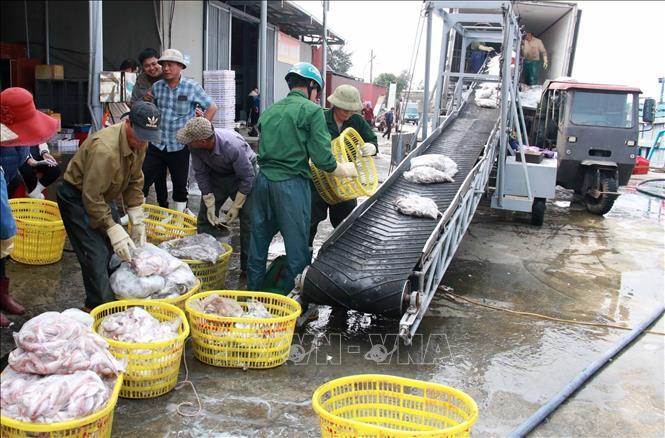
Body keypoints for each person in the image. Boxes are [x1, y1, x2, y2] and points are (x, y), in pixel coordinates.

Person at [247, 62, 357, 292]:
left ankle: (252, 295)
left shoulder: (270, 110)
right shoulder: (312, 111)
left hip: (263, 182)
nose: (317, 98)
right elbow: (323, 159)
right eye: (317, 91)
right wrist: (344, 169)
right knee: (297, 247)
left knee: (258, 243)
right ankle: (295, 303)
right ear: (310, 85)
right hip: (290, 185)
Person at [57, 102, 161, 311]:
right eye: (139, 135)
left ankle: (112, 293)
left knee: (117, 250)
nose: (142, 142)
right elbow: (91, 196)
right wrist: (111, 227)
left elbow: (134, 179)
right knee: (95, 253)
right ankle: (100, 306)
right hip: (77, 196)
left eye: (147, 137)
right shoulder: (104, 149)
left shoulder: (142, 141)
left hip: (104, 195)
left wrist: (135, 212)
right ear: (127, 122)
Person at [0, 87, 59, 327]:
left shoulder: (15, 129)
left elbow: (24, 148)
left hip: (6, 177)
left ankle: (2, 295)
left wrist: (37, 161)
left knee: (1, 253)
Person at [176, 117, 256, 274]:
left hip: (242, 175)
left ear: (204, 141)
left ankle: (249, 267)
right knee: (205, 217)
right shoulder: (195, 147)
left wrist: (237, 205)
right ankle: (205, 259)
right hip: (217, 174)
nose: (188, 143)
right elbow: (201, 173)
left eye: (191, 140)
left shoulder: (232, 146)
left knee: (249, 220)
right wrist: (209, 201)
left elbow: (248, 176)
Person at [142, 48, 217, 213]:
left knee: (180, 185)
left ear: (180, 67)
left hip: (179, 146)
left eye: (170, 65)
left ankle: (177, 218)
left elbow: (212, 107)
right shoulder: (157, 87)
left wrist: (199, 129)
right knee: (143, 180)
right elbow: (150, 108)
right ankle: (137, 215)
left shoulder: (192, 87)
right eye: (164, 65)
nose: (166, 68)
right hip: (157, 143)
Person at [309, 84, 378, 247]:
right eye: (344, 110)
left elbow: (372, 139)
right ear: (335, 105)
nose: (347, 114)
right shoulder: (321, 119)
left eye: (351, 110)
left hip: (346, 181)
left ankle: (342, 256)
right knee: (309, 222)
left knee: (346, 224)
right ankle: (305, 257)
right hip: (319, 180)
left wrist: (372, 147)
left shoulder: (356, 121)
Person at [130, 48, 168, 209]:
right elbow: (133, 104)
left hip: (168, 131)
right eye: (147, 66)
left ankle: (164, 203)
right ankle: (140, 206)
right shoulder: (141, 81)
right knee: (148, 169)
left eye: (154, 64)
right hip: (148, 130)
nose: (152, 68)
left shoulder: (169, 76)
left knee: (164, 170)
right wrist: (143, 99)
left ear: (160, 62)